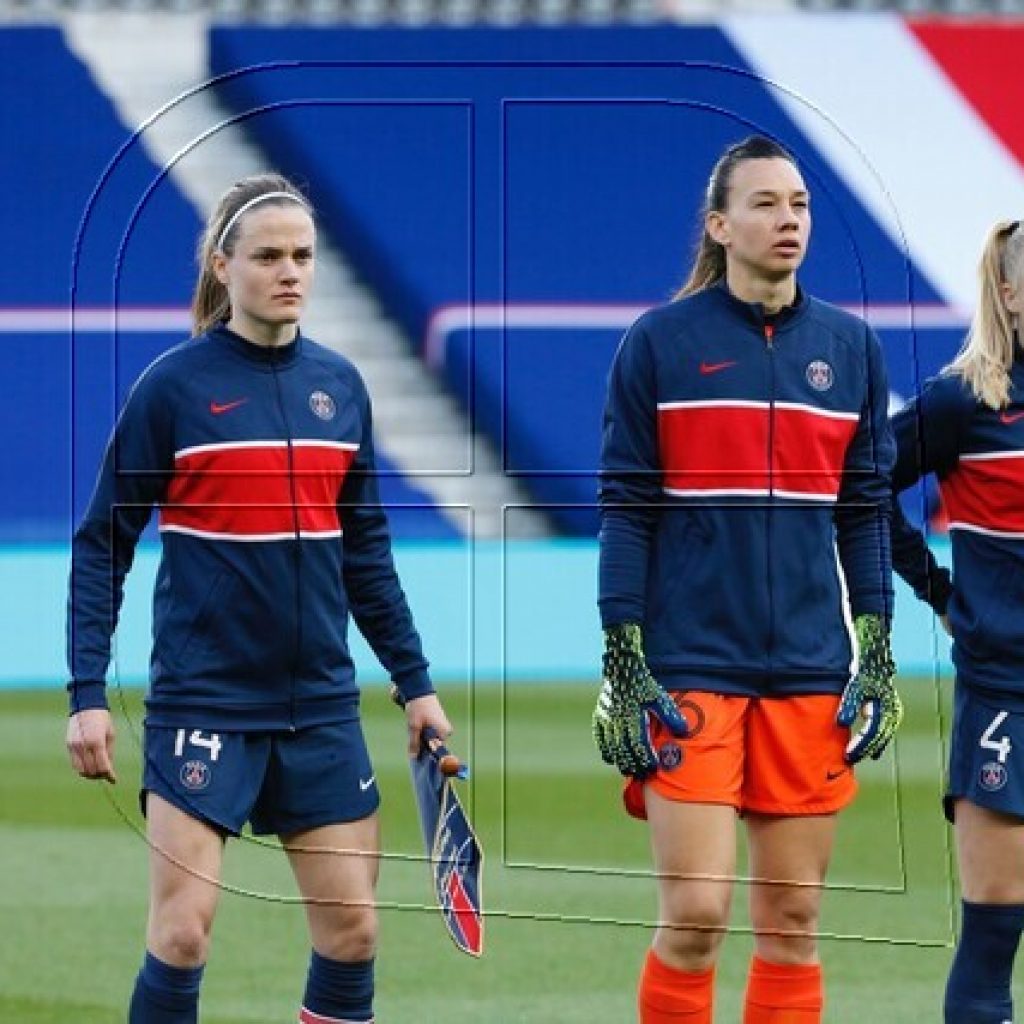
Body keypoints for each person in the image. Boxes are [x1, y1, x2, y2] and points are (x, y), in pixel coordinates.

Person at [65, 173, 452, 1024]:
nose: (290, 271)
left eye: (303, 256)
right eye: (269, 255)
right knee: (183, 934)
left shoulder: (342, 389)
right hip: (204, 702)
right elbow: (103, 543)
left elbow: (369, 555)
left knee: (352, 933)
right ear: (222, 264)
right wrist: (87, 693)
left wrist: (414, 682)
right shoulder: (173, 389)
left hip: (319, 706)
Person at [592, 135, 899, 1023]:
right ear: (721, 225)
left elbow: (866, 510)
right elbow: (627, 506)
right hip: (690, 661)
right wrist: (622, 646)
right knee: (695, 916)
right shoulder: (659, 343)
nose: (788, 219)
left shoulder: (851, 348)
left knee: (793, 919)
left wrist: (874, 641)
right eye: (766, 203)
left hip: (809, 667)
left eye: (799, 204)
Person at [891, 219, 1024, 1024]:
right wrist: (938, 591)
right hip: (1006, 691)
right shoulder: (961, 403)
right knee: (993, 937)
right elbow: (858, 489)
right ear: (1007, 292)